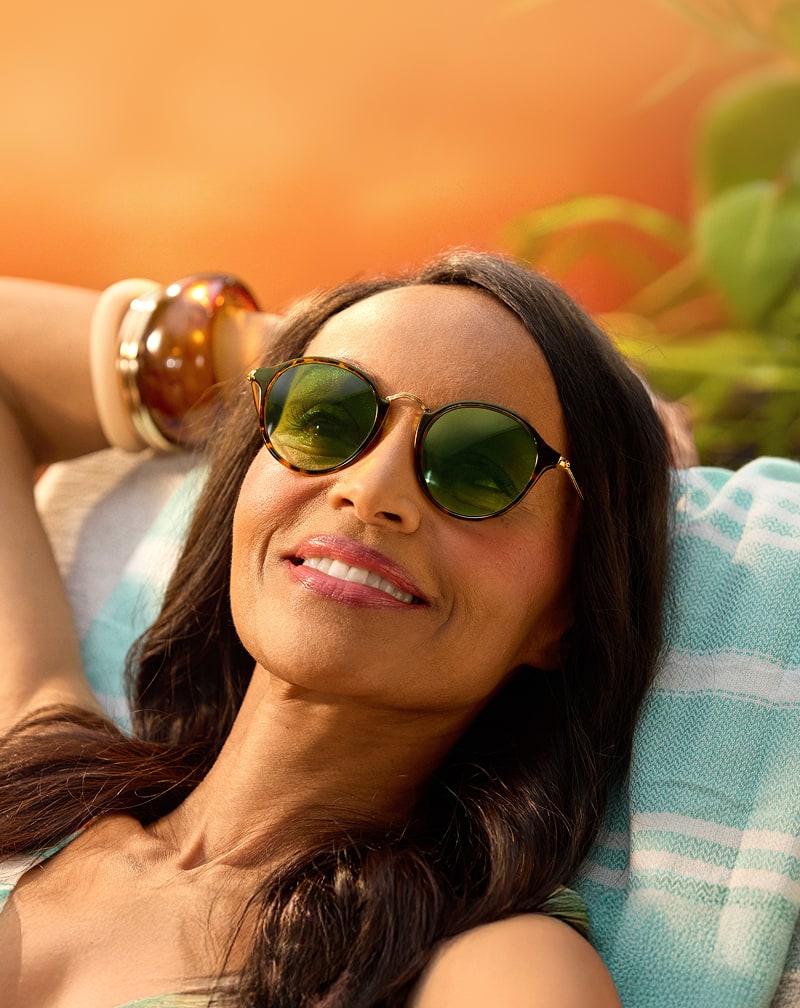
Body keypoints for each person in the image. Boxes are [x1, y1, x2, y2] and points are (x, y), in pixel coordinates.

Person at [0, 250, 671, 1007]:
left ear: (564, 610)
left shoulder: (484, 965)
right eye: (325, 415)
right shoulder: (35, 770)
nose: (372, 488)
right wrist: (293, 342)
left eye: (482, 465)